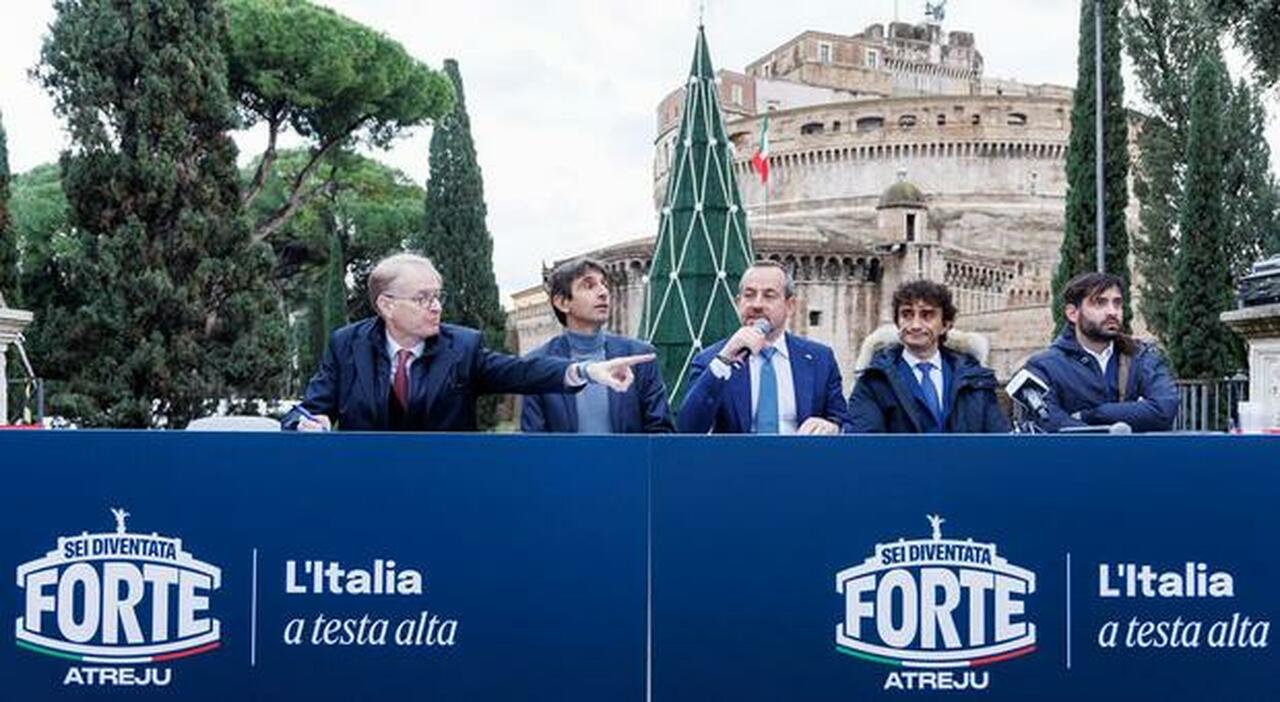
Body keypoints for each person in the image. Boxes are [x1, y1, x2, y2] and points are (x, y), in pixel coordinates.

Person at [281, 253, 653, 431]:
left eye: (438, 295)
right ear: (386, 305)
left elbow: (522, 372)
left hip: (445, 496)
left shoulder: (462, 347)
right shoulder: (348, 346)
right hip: (364, 493)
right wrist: (305, 424)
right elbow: (307, 410)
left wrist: (587, 370)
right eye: (423, 298)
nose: (436, 306)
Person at [676, 261, 851, 434]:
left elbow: (846, 423)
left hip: (802, 459)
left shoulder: (820, 359)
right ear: (738, 303)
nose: (757, 304)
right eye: (749, 295)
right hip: (737, 460)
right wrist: (724, 359)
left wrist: (832, 427)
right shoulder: (712, 360)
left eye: (769, 296)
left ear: (789, 306)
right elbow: (687, 428)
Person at [521, 258, 674, 433]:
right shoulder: (536, 365)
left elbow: (661, 433)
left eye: (604, 284)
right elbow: (534, 445)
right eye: (589, 286)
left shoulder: (639, 358)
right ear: (562, 302)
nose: (603, 292)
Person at [1020, 272, 1177, 432]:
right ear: (1073, 313)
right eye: (1099, 303)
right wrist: (1132, 412)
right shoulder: (1044, 367)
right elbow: (1051, 425)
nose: (1112, 312)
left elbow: (1164, 411)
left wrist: (1090, 415)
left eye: (1117, 303)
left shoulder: (1143, 358)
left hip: (1133, 456)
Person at [847, 280, 1009, 433]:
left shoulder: (976, 381)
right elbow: (865, 445)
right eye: (907, 314)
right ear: (897, 322)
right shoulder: (874, 381)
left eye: (927, 315)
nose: (915, 325)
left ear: (945, 325)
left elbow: (998, 442)